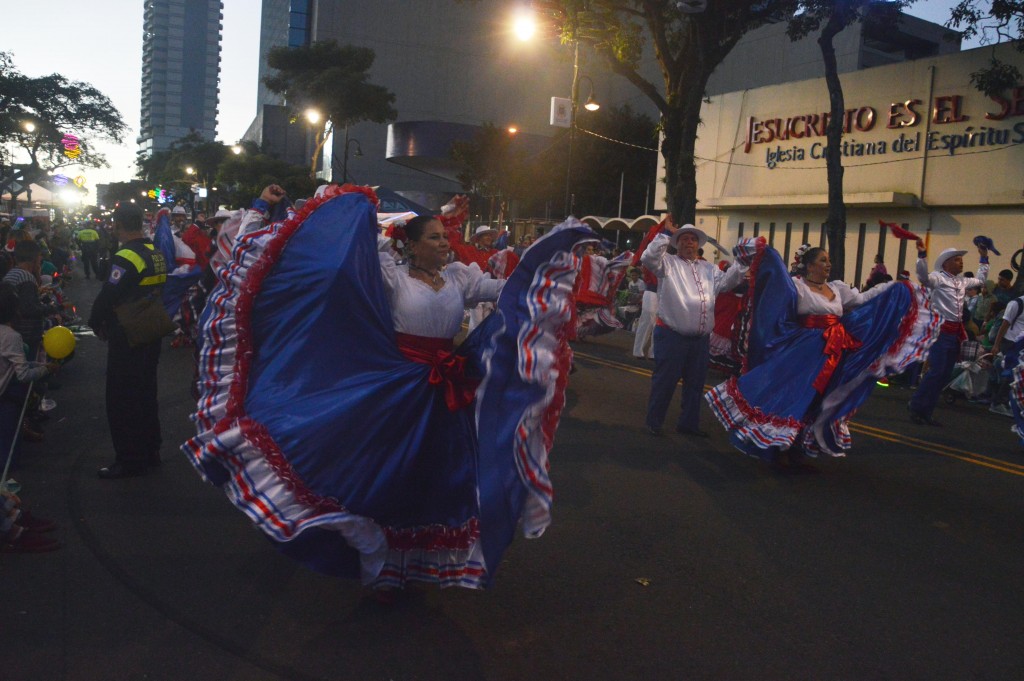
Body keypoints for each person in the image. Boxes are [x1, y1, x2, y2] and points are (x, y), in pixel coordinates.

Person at [182, 185, 596, 591]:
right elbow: (345, 262)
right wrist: (289, 213)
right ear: (412, 246)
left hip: (444, 391)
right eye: (434, 237)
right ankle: (367, 550)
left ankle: (406, 560)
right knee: (381, 472)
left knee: (432, 478)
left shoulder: (459, 278)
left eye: (445, 236)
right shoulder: (391, 277)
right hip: (395, 387)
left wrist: (549, 262)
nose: (445, 243)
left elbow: (508, 291)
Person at [706, 243, 937, 464]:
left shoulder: (837, 288)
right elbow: (776, 297)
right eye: (822, 260)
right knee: (795, 396)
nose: (828, 264)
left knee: (819, 400)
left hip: (835, 350)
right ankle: (779, 448)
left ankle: (798, 448)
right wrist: (764, 253)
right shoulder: (796, 286)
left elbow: (863, 300)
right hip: (803, 352)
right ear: (809, 266)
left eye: (829, 260)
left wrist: (893, 287)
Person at [642, 223, 748, 437]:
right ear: (677, 243)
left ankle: (688, 424)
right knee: (665, 381)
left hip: (699, 339)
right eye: (684, 239)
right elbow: (648, 258)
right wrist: (665, 234)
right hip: (672, 335)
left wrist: (742, 260)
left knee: (695, 384)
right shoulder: (668, 264)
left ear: (698, 244)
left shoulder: (709, 269)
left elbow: (729, 282)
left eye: (692, 239)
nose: (689, 242)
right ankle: (654, 422)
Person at [89, 203, 169, 479]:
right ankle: (151, 451)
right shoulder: (154, 252)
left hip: (128, 333)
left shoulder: (126, 256)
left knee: (122, 399)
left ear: (118, 225)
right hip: (151, 329)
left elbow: (108, 295)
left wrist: (94, 322)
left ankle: (129, 459)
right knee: (146, 394)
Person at [908, 240, 989, 425]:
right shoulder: (937, 277)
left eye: (961, 260)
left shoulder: (961, 281)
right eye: (957, 260)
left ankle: (925, 410)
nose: (961, 262)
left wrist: (984, 257)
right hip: (940, 331)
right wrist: (922, 256)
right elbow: (923, 278)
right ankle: (916, 405)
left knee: (944, 374)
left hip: (954, 333)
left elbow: (981, 279)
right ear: (946, 263)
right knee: (936, 372)